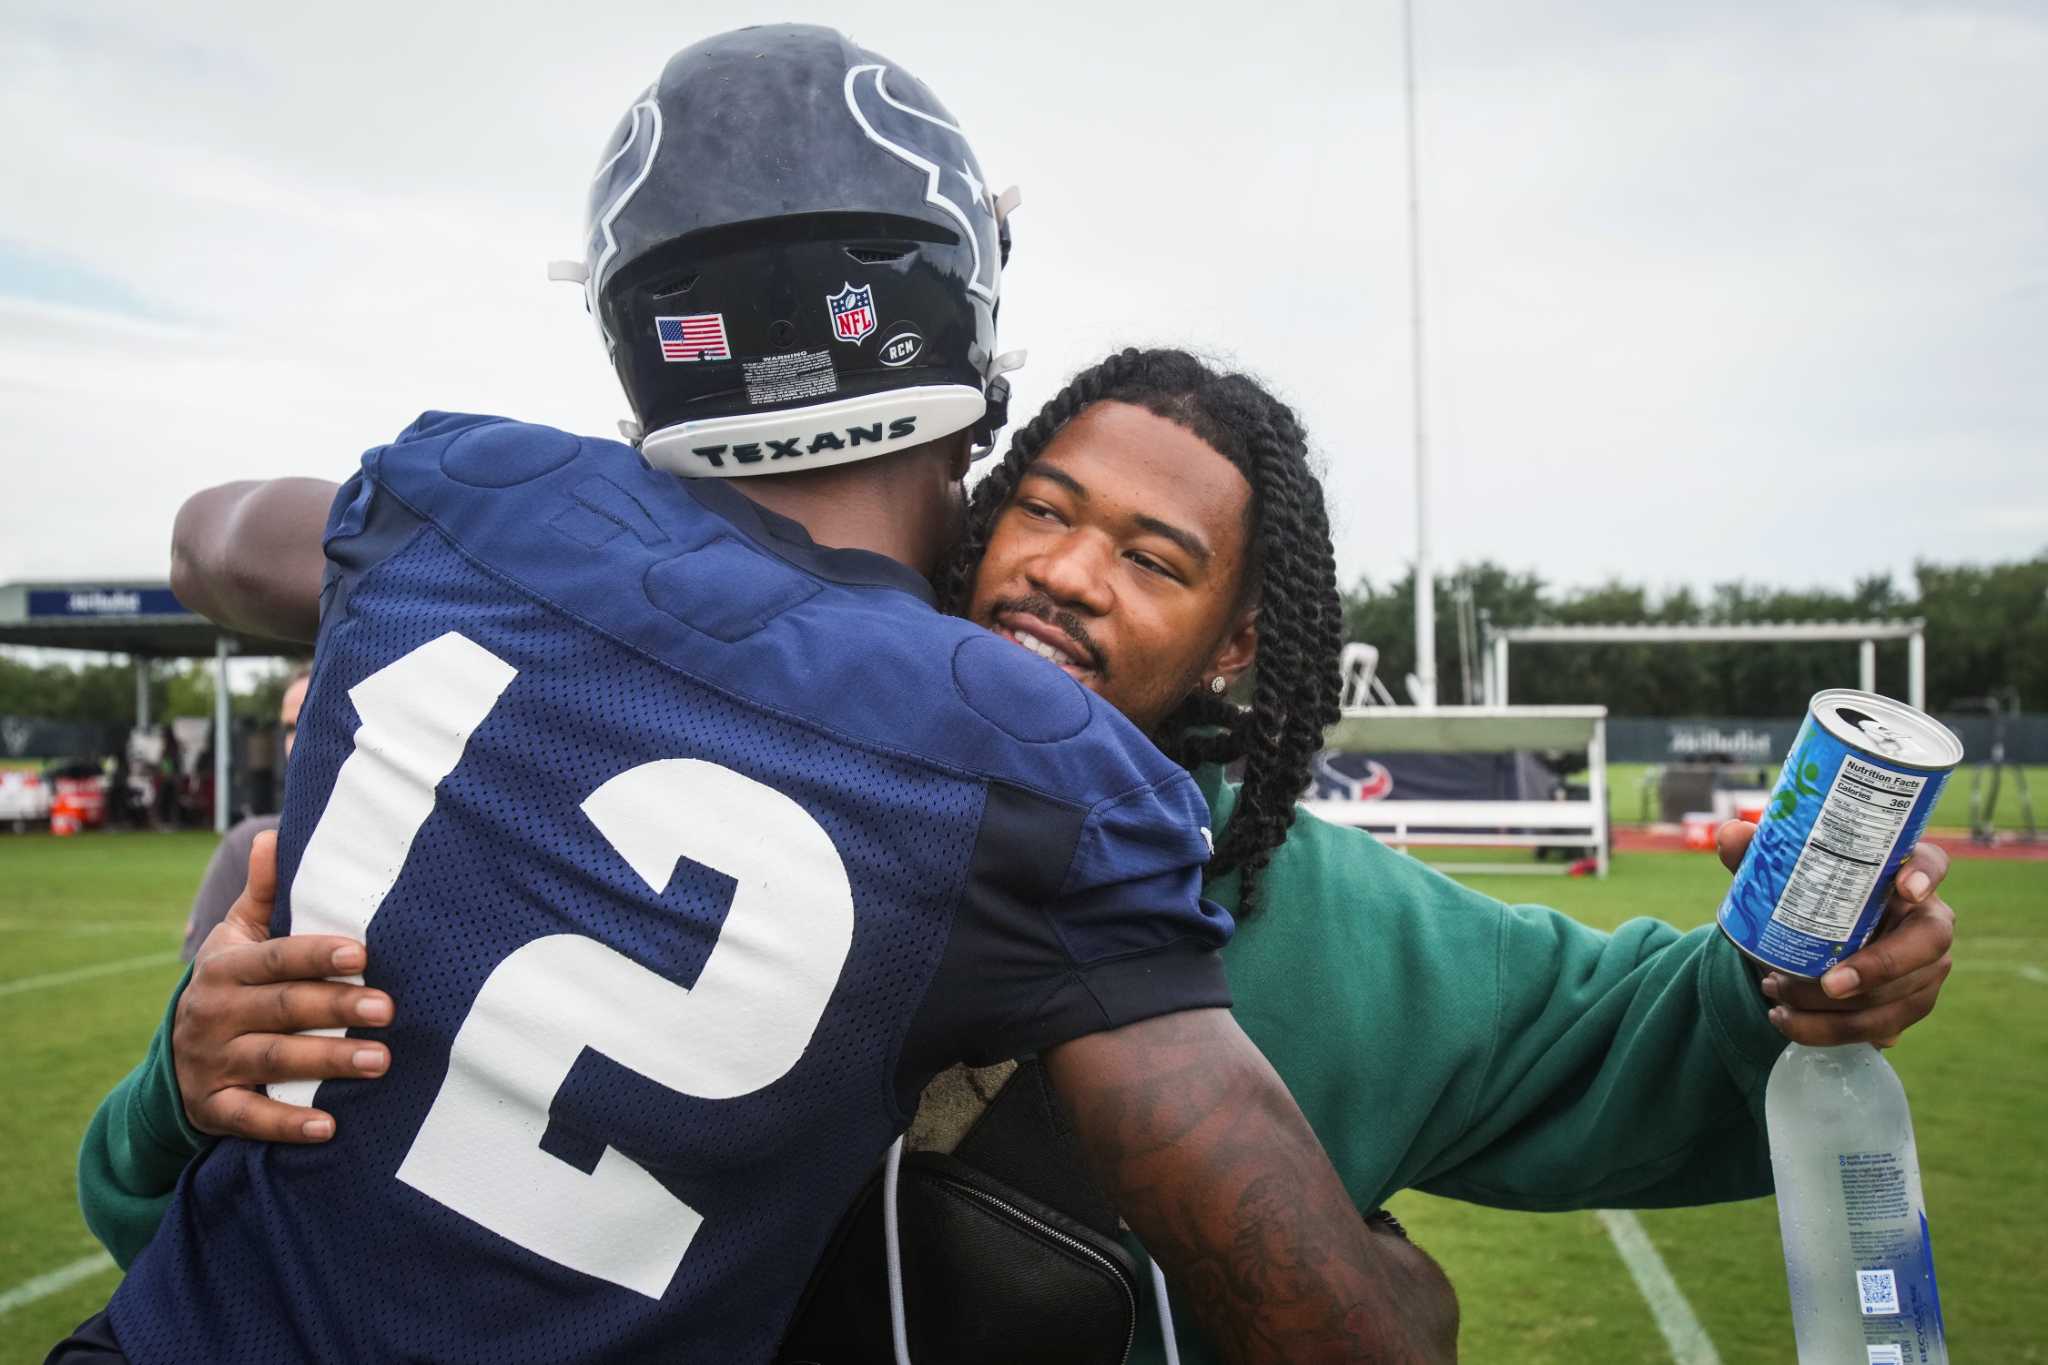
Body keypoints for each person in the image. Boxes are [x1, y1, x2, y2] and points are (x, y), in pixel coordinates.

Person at [80, 349, 1958, 1363]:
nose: (1065, 568)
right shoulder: (649, 796)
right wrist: (186, 1074)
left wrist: (1808, 976)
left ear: (1240, 645)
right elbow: (153, 1210)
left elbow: (1647, 1031)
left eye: (1151, 558)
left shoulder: (1317, 923)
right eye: (1041, 512)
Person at [53, 29, 1428, 1365]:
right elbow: (1318, 1312)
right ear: (958, 303)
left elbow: (210, 539)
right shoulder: (1041, 762)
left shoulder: (450, 493)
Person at [178, 668, 308, 961]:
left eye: (315, 718)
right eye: (290, 727)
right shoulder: (249, 844)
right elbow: (201, 987)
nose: (297, 740)